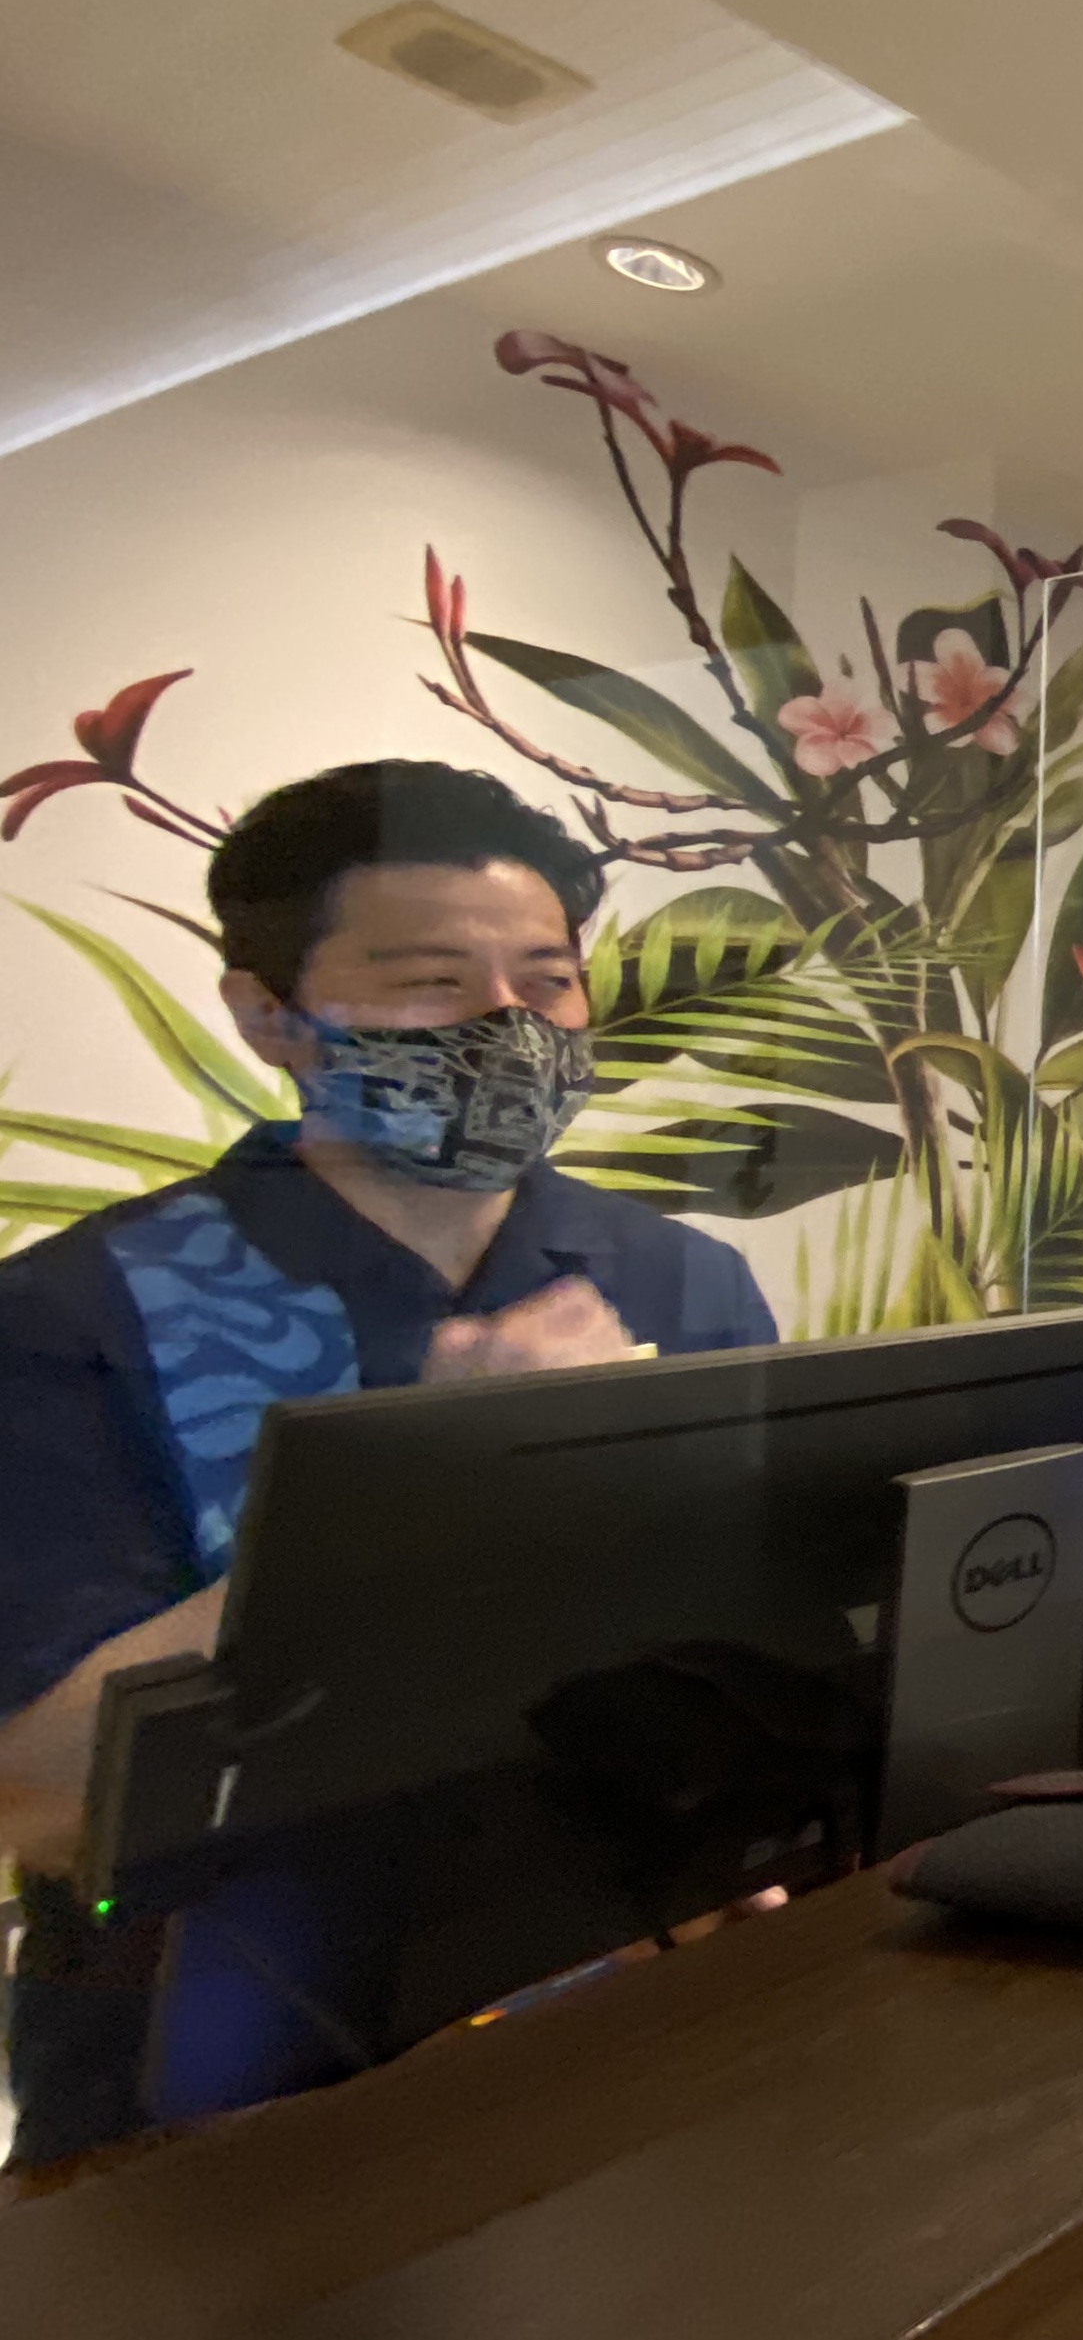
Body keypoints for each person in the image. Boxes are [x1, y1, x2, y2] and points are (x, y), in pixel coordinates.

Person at [0, 761, 776, 2157]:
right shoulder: (73, 1314)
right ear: (267, 1015)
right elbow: (42, 1792)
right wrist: (427, 1480)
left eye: (546, 981)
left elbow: (753, 1643)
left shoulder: (681, 1282)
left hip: (625, 2020)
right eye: (430, 984)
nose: (508, 1027)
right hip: (207, 2077)